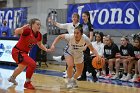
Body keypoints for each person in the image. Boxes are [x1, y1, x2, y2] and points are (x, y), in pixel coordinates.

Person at [8, 18, 51, 89]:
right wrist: (22, 28)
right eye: (37, 24)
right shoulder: (27, 30)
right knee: (32, 64)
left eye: (40, 24)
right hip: (17, 52)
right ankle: (27, 83)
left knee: (21, 67)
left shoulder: (39, 35)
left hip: (24, 53)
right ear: (32, 25)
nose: (39, 26)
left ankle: (12, 78)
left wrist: (46, 49)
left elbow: (40, 45)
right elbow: (16, 32)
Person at [48, 13, 80, 77]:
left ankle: (62, 59)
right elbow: (60, 25)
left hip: (78, 43)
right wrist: (52, 21)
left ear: (78, 18)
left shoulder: (80, 25)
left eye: (75, 17)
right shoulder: (69, 25)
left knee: (75, 58)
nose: (74, 18)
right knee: (69, 56)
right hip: (71, 42)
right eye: (73, 17)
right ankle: (68, 71)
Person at [77, 11, 95, 81]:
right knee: (82, 61)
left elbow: (91, 37)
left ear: (88, 16)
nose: (83, 17)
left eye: (84, 16)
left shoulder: (90, 25)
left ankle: (94, 74)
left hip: (86, 44)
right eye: (82, 16)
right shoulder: (81, 25)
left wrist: (86, 45)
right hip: (81, 44)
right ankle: (83, 76)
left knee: (87, 60)